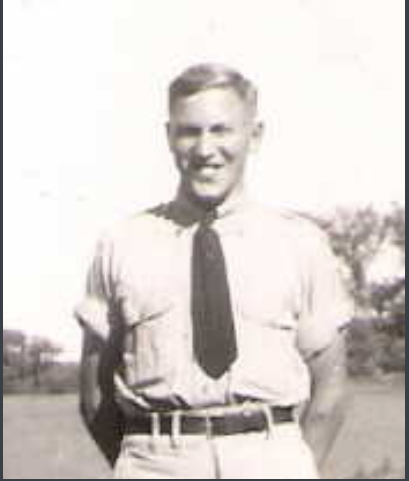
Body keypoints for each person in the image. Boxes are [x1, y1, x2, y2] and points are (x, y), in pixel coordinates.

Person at [75, 63, 352, 479]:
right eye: (189, 132)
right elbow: (95, 397)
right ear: (169, 137)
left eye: (222, 130)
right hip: (156, 462)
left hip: (271, 460)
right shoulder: (122, 244)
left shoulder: (300, 244)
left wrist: (291, 467)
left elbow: (330, 388)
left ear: (254, 135)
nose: (205, 149)